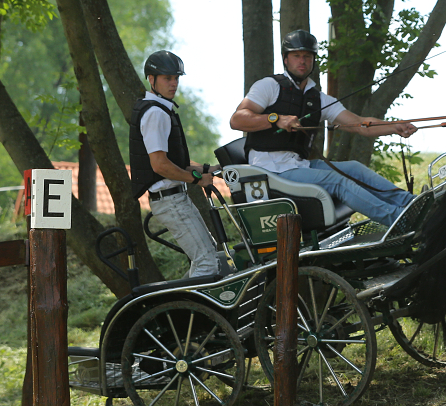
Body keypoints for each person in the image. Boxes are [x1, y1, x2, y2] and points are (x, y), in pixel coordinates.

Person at [229, 29, 418, 227]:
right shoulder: (268, 86)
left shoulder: (318, 98)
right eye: (296, 56)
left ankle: (411, 204)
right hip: (270, 169)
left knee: (354, 168)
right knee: (336, 180)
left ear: (313, 60)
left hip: (298, 165)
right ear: (286, 59)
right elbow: (237, 120)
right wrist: (275, 119)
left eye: (307, 56)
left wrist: (394, 126)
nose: (302, 61)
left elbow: (360, 125)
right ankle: (401, 220)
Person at [130, 50, 220, 278]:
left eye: (176, 78)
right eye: (167, 78)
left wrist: (211, 170)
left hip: (175, 197)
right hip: (169, 200)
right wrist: (197, 180)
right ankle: (191, 313)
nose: (174, 84)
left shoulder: (161, 110)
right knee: (207, 263)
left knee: (209, 258)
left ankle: (185, 310)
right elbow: (159, 165)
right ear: (151, 79)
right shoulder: (155, 113)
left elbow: (175, 164)